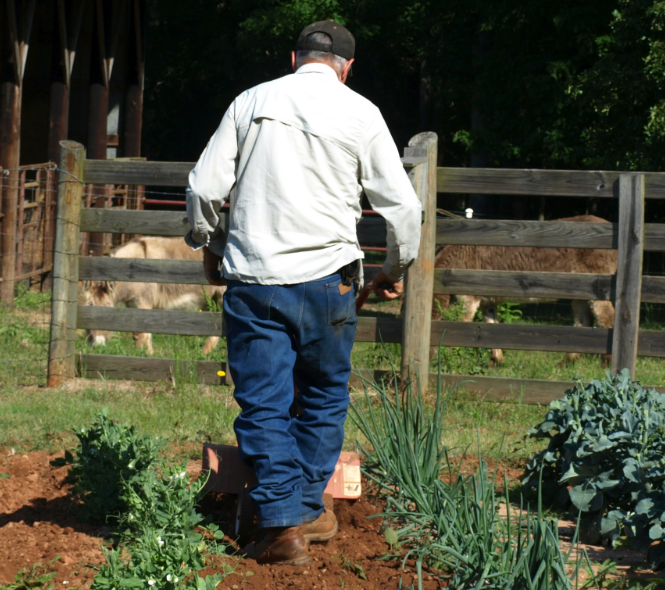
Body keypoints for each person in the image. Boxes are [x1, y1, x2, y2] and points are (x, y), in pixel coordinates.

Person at [185, 20, 422, 566]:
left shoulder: (251, 102)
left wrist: (208, 242)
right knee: (323, 395)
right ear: (347, 67)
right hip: (330, 282)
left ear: (294, 58)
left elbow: (203, 187)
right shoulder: (362, 113)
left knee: (264, 400)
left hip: (258, 281)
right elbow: (405, 210)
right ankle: (305, 506)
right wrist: (392, 268)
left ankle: (285, 520)